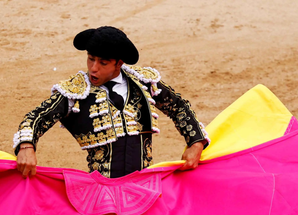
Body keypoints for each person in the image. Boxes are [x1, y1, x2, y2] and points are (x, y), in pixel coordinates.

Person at [14, 26, 209, 178]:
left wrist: (196, 142)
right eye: (91, 59)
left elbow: (179, 107)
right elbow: (36, 117)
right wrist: (26, 147)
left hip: (143, 184)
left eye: (103, 63)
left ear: (119, 63)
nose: (93, 68)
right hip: (101, 187)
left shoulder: (143, 83)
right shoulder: (76, 91)